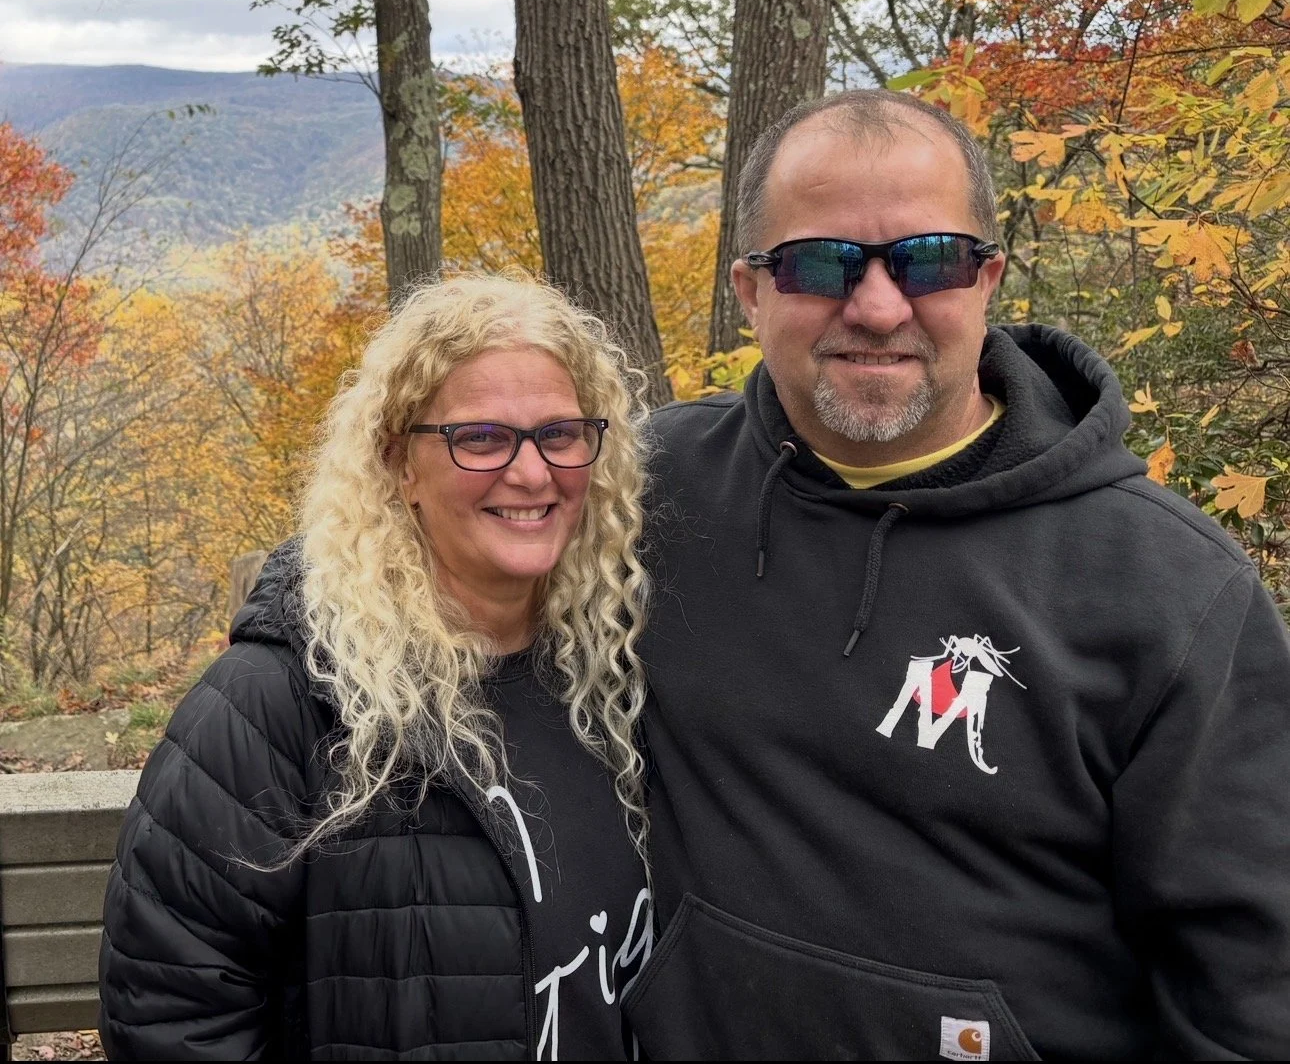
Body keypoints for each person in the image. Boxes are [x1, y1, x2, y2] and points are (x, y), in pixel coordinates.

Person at [623, 89, 1290, 1061]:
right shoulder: (652, 491)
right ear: (749, 289)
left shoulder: (1170, 591)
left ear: (988, 278)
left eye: (929, 259)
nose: (880, 305)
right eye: (821, 262)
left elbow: (1251, 999)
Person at [99, 273, 655, 1062]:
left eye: (560, 433)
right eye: (482, 437)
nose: (532, 473)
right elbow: (172, 1015)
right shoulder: (276, 706)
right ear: (400, 463)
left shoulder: (620, 673)